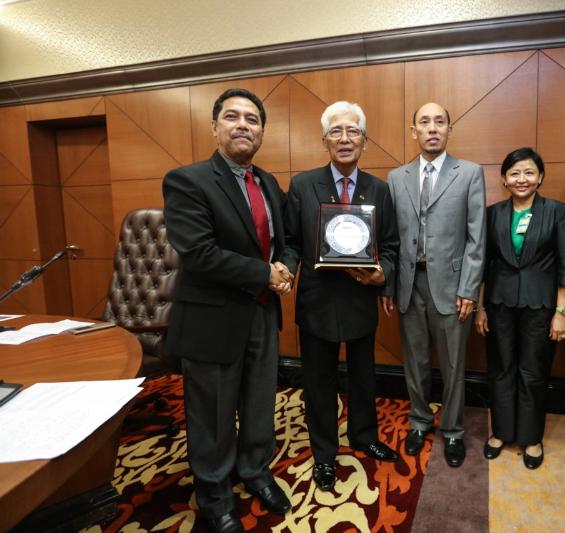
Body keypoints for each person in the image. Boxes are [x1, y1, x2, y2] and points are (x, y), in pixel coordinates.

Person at [163, 88, 294, 533]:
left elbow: (285, 242)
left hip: (262, 314)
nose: (243, 125)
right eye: (233, 117)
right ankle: (215, 494)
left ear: (262, 132)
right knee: (213, 416)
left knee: (259, 405)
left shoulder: (269, 183)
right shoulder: (187, 181)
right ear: (214, 127)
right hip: (212, 320)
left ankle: (255, 470)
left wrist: (285, 268)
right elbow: (199, 253)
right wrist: (265, 273)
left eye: (252, 119)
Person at [281, 101, 400, 492]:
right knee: (319, 382)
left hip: (360, 295)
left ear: (364, 140)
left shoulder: (379, 189)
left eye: (353, 131)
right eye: (336, 131)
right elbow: (291, 241)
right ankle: (324, 454)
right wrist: (286, 268)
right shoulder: (302, 185)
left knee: (364, 376)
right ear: (324, 140)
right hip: (317, 298)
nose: (344, 138)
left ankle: (364, 436)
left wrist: (384, 273)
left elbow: (391, 244)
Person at [386, 102, 486, 467]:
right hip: (409, 283)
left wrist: (469, 289)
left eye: (439, 122)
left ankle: (454, 429)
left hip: (452, 286)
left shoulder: (470, 173)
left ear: (449, 129)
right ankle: (419, 420)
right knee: (415, 361)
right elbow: (390, 238)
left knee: (453, 364)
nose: (432, 128)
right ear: (413, 131)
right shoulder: (396, 177)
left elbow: (477, 238)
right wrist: (388, 286)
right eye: (424, 122)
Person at [474, 147, 565, 469]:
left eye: (529, 172)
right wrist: (480, 307)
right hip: (499, 304)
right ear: (504, 179)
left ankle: (532, 437)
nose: (522, 179)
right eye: (515, 173)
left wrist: (561, 313)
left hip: (540, 306)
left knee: (533, 372)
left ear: (540, 177)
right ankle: (502, 432)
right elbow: (483, 264)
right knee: (501, 368)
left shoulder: (557, 211)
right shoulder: (493, 214)